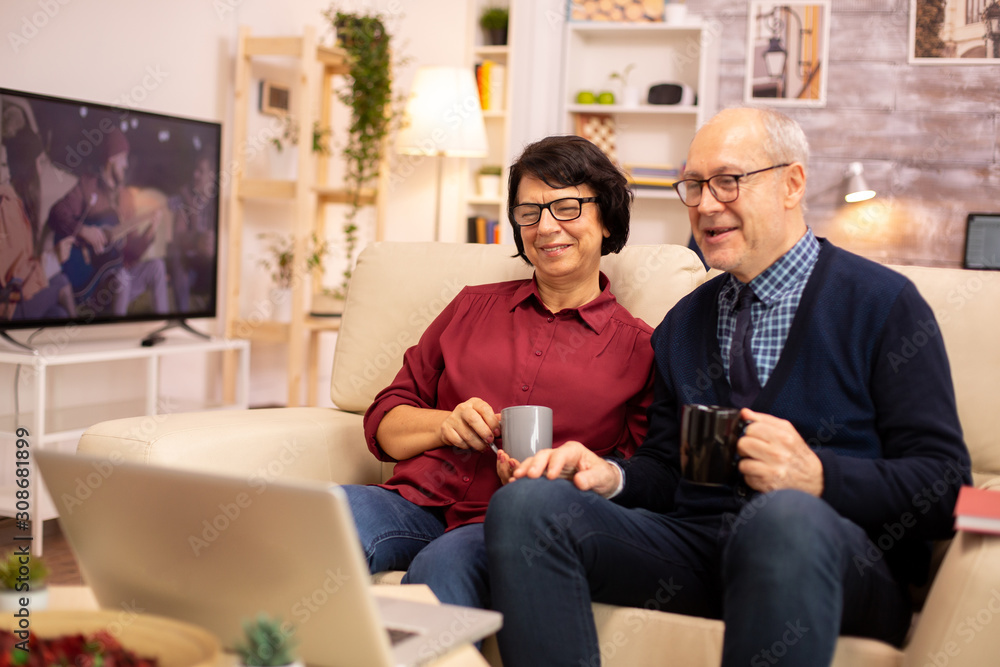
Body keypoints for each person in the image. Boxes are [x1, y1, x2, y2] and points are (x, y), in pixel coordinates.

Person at [484, 107, 971, 666]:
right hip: (699, 551)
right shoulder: (684, 325)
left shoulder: (882, 305)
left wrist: (818, 476)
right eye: (693, 186)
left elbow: (947, 484)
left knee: (780, 517)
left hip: (838, 560)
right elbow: (668, 469)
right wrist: (610, 472)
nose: (706, 205)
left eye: (727, 181)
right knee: (526, 505)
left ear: (792, 184)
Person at [344, 135, 656, 610]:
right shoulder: (471, 306)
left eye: (567, 207)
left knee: (439, 571)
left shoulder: (641, 349)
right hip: (413, 502)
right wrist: (442, 423)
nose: (546, 227)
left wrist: (550, 485)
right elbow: (383, 423)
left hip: (509, 525)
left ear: (607, 216)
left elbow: (633, 483)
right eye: (529, 212)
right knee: (324, 517)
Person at [46, 126, 168, 317]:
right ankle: (116, 335)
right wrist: (83, 230)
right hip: (91, 281)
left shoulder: (126, 197)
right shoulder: (88, 185)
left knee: (157, 267)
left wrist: (151, 229)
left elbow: (131, 252)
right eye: (124, 158)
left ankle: (164, 328)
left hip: (119, 278)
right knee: (122, 278)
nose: (127, 165)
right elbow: (57, 213)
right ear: (112, 158)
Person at [166, 152, 217, 312]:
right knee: (176, 256)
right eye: (195, 170)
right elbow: (178, 236)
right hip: (191, 262)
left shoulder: (219, 204)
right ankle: (182, 318)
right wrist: (196, 240)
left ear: (212, 176)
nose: (195, 175)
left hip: (212, 264)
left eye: (201, 171)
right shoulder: (183, 199)